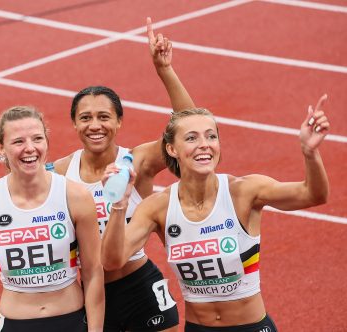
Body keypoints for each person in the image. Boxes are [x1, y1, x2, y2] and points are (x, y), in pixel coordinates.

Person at [101, 98, 330, 332]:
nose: (204, 144)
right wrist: (119, 206)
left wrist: (310, 152)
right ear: (172, 149)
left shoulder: (243, 191)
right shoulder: (157, 207)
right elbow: (112, 261)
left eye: (211, 136)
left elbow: (312, 195)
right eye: (192, 138)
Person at [47, 18, 193, 331]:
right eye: (85, 118)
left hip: (139, 286)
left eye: (104, 117)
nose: (94, 125)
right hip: (90, 294)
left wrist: (164, 69)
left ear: (119, 122)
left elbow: (186, 127)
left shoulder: (137, 161)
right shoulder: (61, 171)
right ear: (74, 123)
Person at [0, 106, 105, 331]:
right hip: (15, 323)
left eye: (37, 139)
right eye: (18, 141)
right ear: (0, 147)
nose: (30, 148)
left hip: (70, 320)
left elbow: (92, 272)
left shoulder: (76, 196)